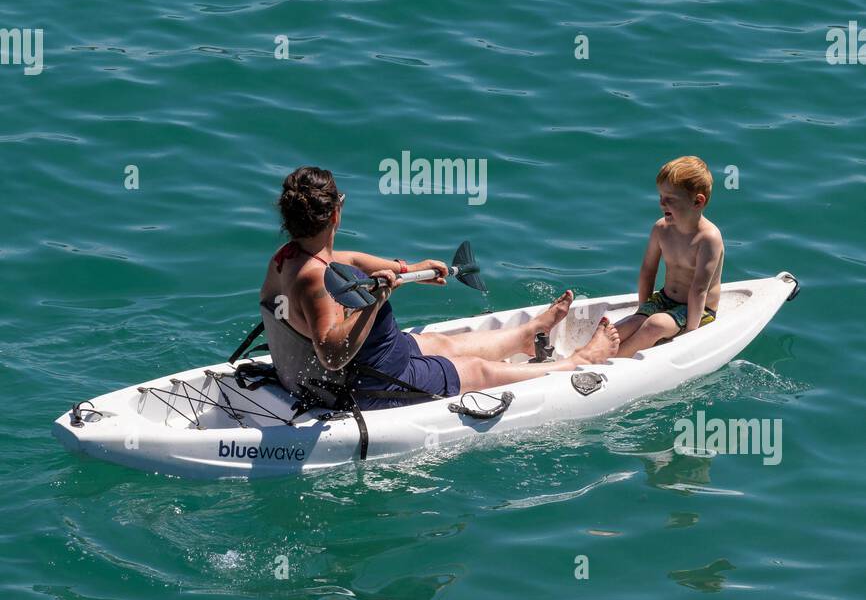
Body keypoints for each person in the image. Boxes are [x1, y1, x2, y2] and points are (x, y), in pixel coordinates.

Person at [260, 166, 619, 410]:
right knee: (478, 371)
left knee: (441, 344)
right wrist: (376, 301)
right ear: (337, 213)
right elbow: (332, 355)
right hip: (371, 383)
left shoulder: (288, 256)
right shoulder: (313, 280)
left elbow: (347, 260)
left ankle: (527, 334)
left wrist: (408, 269)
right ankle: (578, 361)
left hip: (361, 362)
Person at [614, 156, 724, 359]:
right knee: (619, 328)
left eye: (670, 199)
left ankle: (611, 364)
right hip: (665, 298)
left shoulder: (708, 238)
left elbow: (699, 289)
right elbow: (648, 271)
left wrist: (691, 335)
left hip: (698, 310)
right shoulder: (661, 229)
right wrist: (642, 310)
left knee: (654, 325)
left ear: (697, 201)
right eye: (660, 196)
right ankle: (586, 356)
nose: (661, 203)